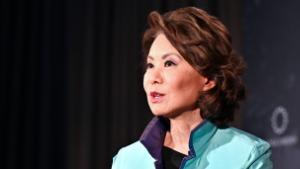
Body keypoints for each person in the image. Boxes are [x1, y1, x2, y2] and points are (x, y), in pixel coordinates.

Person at [112, 7, 273, 169]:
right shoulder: (126, 160)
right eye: (150, 65)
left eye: (169, 63)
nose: (153, 78)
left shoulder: (247, 155)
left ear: (209, 79)